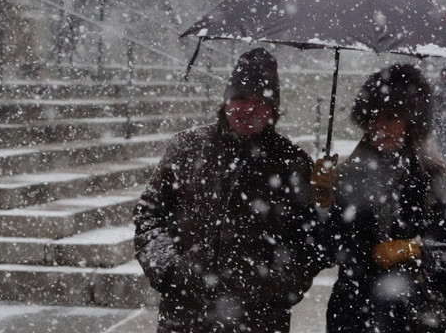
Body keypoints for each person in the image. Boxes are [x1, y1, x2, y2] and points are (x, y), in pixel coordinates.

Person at [133, 48, 322, 333]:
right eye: (240, 98)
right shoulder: (187, 148)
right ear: (226, 102)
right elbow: (149, 214)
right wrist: (170, 268)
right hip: (186, 314)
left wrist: (279, 286)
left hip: (259, 319)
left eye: (260, 101)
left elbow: (308, 239)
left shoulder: (291, 162)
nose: (248, 109)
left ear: (273, 110)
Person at [318, 64, 446, 332]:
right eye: (373, 116)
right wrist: (322, 204)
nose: (379, 126)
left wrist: (413, 250)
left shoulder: (437, 180)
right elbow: (323, 253)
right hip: (352, 318)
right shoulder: (347, 176)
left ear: (412, 122)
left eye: (391, 117)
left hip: (417, 318)